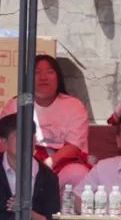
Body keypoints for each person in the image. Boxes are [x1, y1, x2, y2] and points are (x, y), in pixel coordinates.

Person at [1, 55, 90, 191]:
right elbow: (4, 140)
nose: (43, 77)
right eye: (37, 72)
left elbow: (74, 146)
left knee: (78, 174)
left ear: (58, 77)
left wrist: (48, 163)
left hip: (61, 163)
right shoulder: (17, 104)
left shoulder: (74, 105)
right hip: (22, 163)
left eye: (49, 72)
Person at [0, 114, 59, 220]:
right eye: (19, 136)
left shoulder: (47, 177)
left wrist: (27, 211)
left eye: (29, 136)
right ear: (4, 142)